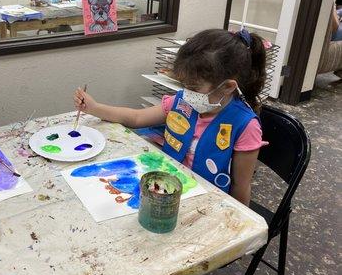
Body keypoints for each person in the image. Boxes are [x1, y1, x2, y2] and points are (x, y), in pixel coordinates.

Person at [73, 28, 269, 206]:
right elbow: (136, 118)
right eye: (183, 85)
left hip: (206, 203)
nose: (186, 92)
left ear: (227, 87)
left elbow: (240, 187)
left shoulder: (245, 126)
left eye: (193, 87)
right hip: (166, 189)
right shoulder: (183, 102)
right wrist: (94, 107)